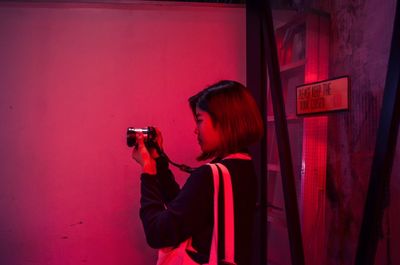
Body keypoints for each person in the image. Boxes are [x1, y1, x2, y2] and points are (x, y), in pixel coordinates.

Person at [131, 80, 264, 264]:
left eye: (199, 120)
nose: (195, 129)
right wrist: (160, 162)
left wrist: (148, 170)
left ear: (224, 122)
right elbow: (186, 210)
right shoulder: (243, 167)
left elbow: (157, 233)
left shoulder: (210, 175)